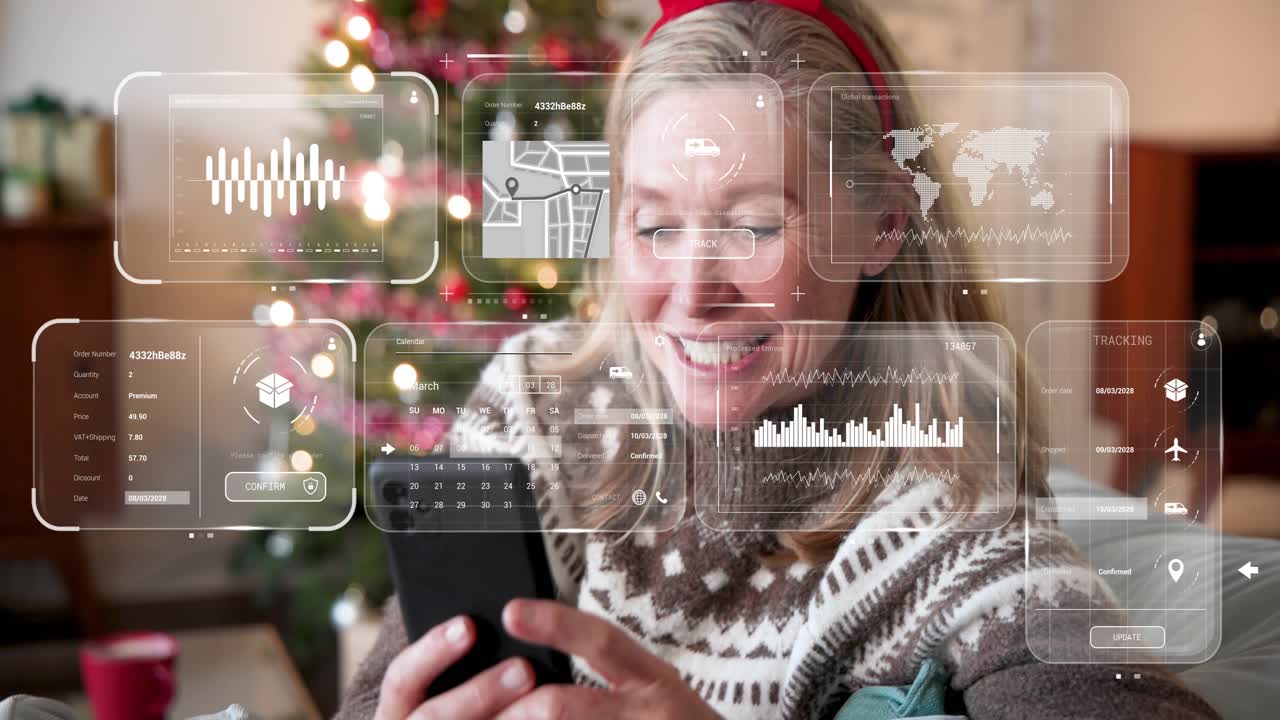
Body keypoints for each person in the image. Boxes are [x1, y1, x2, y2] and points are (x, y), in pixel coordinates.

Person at [338, 1, 1219, 718]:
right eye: (654, 226)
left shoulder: (948, 517)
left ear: (882, 225)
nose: (691, 294)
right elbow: (382, 690)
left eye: (754, 225)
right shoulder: (532, 401)